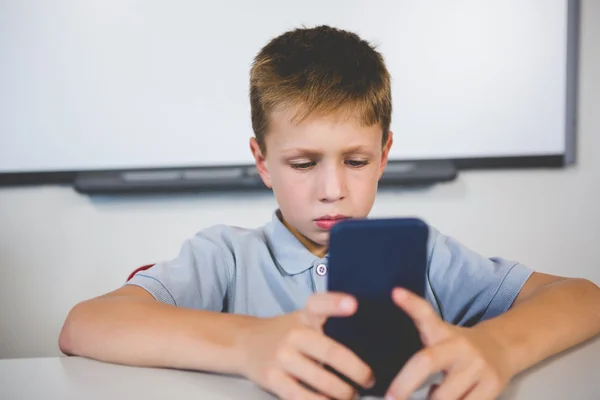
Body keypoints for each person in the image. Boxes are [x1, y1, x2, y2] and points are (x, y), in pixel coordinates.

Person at [59, 25, 600, 400]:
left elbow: (583, 297)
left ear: (384, 155)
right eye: (302, 163)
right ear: (262, 161)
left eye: (356, 160)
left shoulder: (425, 255)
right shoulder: (225, 256)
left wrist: (495, 346)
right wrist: (249, 344)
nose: (332, 189)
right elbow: (86, 324)